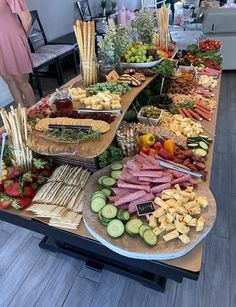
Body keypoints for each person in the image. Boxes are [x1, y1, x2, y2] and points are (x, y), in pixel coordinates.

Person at [0, 0, 35, 107]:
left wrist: (22, 38)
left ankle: (35, 112)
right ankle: (22, 112)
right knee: (9, 80)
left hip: (12, 40)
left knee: (22, 82)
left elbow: (27, 18)